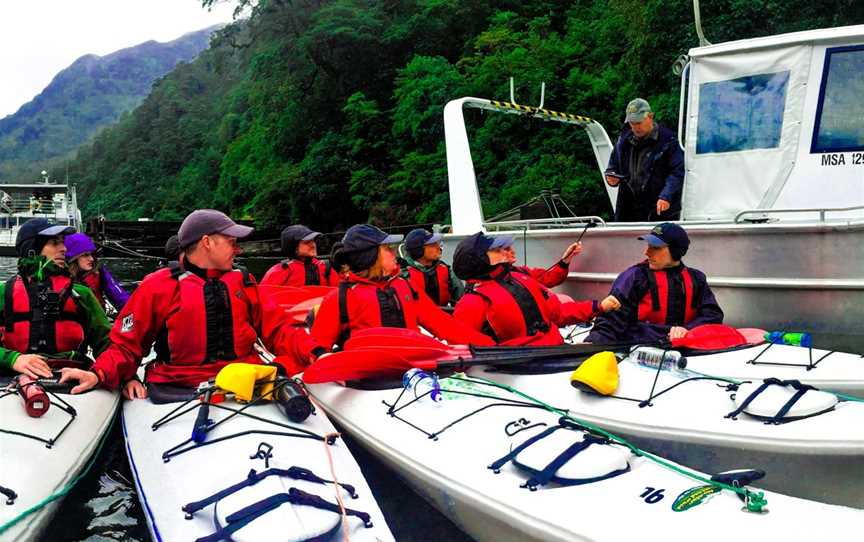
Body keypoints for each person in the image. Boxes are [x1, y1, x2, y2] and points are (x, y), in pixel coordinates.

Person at [59, 210, 324, 398]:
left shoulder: (243, 281)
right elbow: (127, 346)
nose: (238, 249)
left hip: (247, 383)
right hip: (178, 388)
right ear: (207, 242)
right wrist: (99, 373)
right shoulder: (158, 286)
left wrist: (317, 353)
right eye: (231, 242)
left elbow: (280, 330)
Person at [311, 224, 495, 350]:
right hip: (368, 382)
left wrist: (491, 347)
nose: (394, 253)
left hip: (414, 368)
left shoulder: (406, 286)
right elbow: (316, 348)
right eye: (387, 248)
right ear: (369, 256)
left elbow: (445, 325)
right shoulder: (339, 298)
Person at [452, 232, 620, 346]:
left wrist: (599, 306)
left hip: (556, 351)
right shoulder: (472, 302)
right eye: (496, 250)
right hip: (522, 368)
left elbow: (557, 313)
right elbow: (461, 348)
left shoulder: (521, 277)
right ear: (479, 260)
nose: (505, 251)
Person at [0, 219, 111, 378]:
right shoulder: (4, 292)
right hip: (12, 375)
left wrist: (127, 378)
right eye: (54, 243)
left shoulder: (81, 293)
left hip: (72, 374)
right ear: (32, 249)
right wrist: (12, 359)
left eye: (62, 243)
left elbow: (108, 344)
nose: (64, 249)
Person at [586, 223, 723, 344]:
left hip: (685, 350)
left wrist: (686, 330)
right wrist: (592, 344)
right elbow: (609, 322)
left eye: (655, 247)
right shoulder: (634, 277)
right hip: (640, 350)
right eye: (648, 246)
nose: (646, 252)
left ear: (676, 252)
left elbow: (713, 316)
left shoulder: (697, 278)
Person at [604, 98, 685, 222]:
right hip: (628, 210)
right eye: (632, 123)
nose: (636, 127)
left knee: (657, 241)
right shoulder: (623, 141)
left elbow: (677, 172)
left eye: (639, 122)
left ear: (650, 117)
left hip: (658, 209)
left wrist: (666, 196)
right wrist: (611, 179)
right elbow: (612, 168)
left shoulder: (668, 140)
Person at [65, 233, 130, 311]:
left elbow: (119, 296)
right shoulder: (61, 275)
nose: (91, 259)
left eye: (92, 254)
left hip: (96, 319)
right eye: (86, 255)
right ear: (73, 258)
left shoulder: (99, 272)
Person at [398, 228, 463, 307]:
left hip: (443, 316)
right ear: (418, 251)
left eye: (437, 243)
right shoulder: (402, 275)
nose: (439, 247)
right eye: (433, 245)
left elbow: (461, 299)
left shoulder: (446, 270)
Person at [261, 225, 339, 287]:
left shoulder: (325, 267)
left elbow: (341, 294)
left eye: (313, 241)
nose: (313, 245)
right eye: (307, 242)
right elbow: (264, 298)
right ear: (294, 247)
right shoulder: (280, 271)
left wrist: (344, 267)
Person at [501, 241, 584, 289]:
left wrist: (566, 258)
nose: (513, 251)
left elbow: (550, 278)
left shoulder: (523, 272)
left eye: (511, 248)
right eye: (507, 249)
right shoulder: (493, 282)